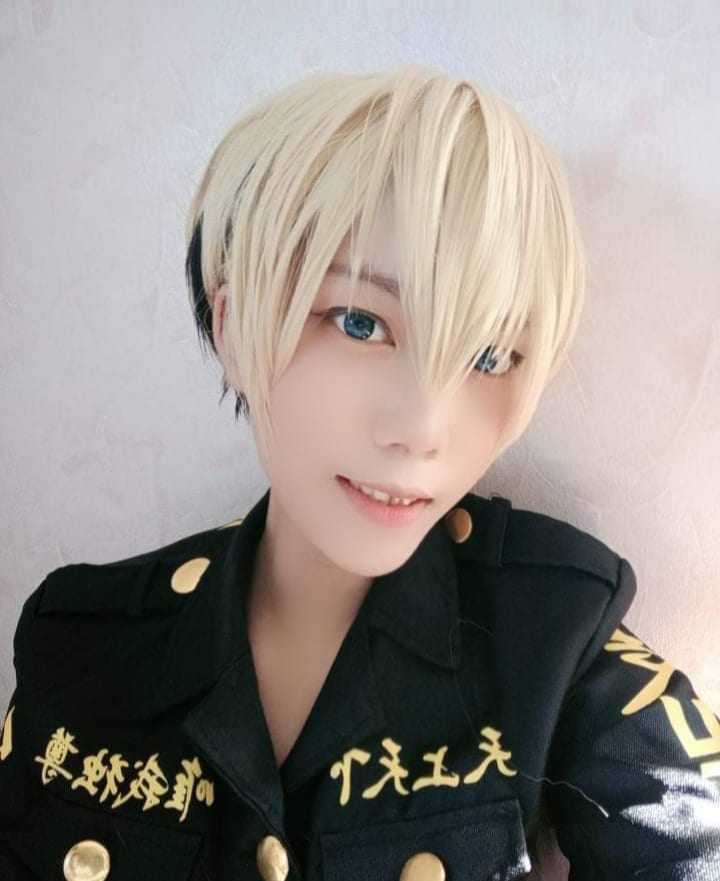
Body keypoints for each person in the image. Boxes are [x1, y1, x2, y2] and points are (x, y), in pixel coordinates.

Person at [1, 65, 718, 881]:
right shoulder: (82, 644)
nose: (422, 429)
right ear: (233, 328)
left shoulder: (554, 634)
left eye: (489, 356)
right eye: (359, 321)